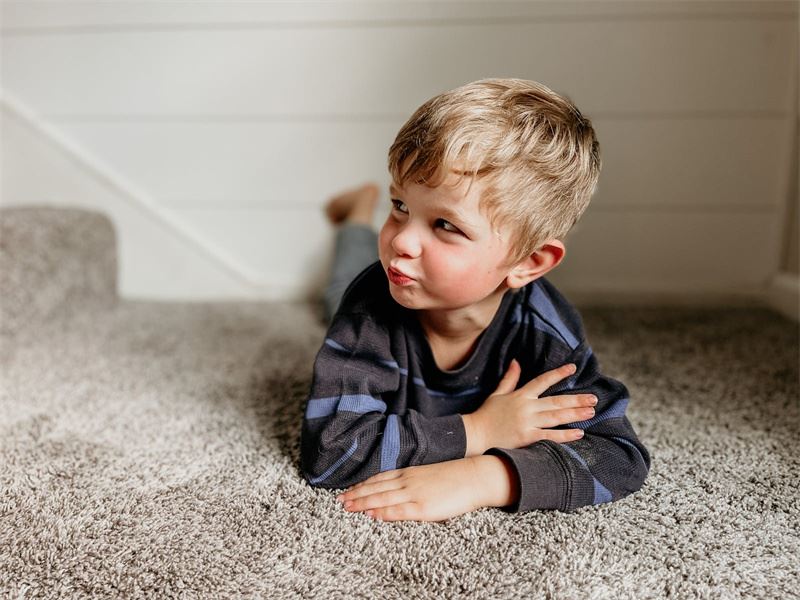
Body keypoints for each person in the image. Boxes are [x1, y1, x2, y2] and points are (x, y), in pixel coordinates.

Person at [300, 78, 651, 522]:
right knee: (340, 294)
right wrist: (477, 430)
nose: (402, 240)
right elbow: (330, 453)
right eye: (399, 205)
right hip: (376, 294)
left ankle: (359, 212)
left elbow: (619, 455)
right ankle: (356, 216)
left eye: (446, 225)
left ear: (529, 262)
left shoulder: (546, 330)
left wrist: (485, 477)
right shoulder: (373, 303)